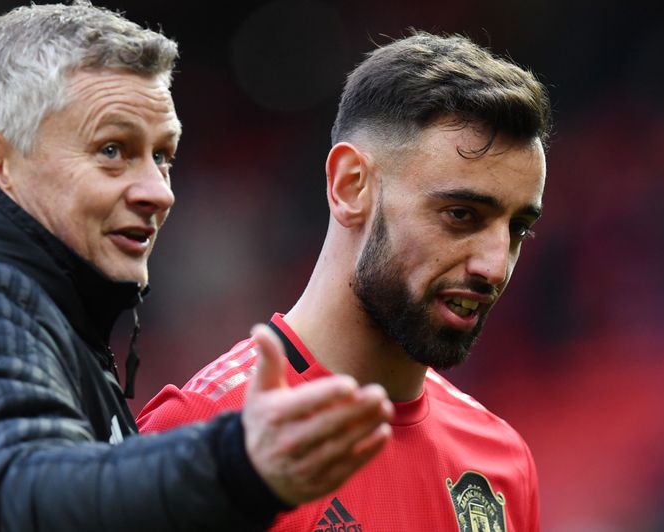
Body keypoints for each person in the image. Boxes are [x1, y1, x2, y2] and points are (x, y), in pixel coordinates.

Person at [0, 3, 396, 531]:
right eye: (113, 150)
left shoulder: (14, 300)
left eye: (163, 156)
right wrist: (233, 464)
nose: (159, 191)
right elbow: (13, 491)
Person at [138, 30, 551, 531]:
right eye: (461, 214)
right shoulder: (199, 436)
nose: (494, 266)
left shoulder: (501, 464)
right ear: (351, 186)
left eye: (517, 229)